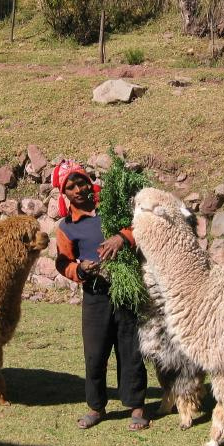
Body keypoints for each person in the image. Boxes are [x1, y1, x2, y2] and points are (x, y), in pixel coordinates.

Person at [52, 160, 149, 431]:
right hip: (95, 295)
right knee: (95, 353)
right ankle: (96, 407)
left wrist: (122, 237)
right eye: (71, 187)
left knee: (130, 349)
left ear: (89, 182)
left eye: (81, 183)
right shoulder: (66, 227)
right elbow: (62, 261)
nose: (78, 190)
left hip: (125, 290)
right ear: (64, 193)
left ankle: (137, 407)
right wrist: (81, 270)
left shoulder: (112, 208)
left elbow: (140, 227)